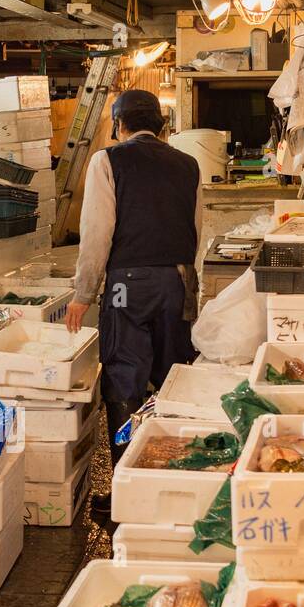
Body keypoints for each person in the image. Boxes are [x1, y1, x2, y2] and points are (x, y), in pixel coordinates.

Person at [65, 89, 203, 513]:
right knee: (173, 378)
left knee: (125, 381)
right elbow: (196, 228)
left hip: (127, 285)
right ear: (162, 126)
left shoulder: (108, 161)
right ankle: (173, 481)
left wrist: (83, 294)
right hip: (177, 281)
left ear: (118, 125)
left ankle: (129, 486)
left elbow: (97, 233)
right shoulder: (189, 163)